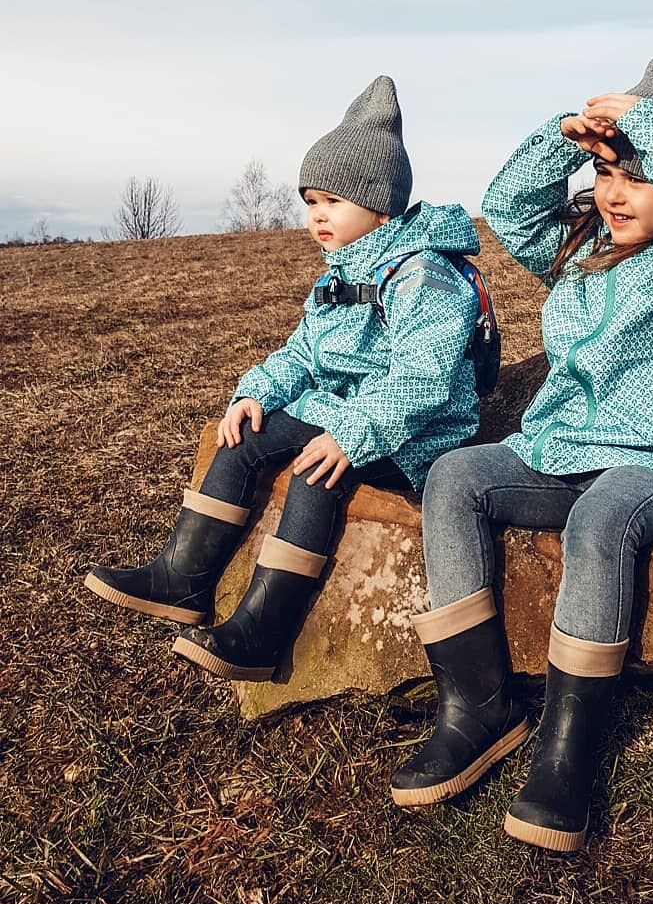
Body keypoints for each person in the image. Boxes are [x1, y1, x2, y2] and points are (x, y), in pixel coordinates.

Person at [390, 39, 653, 852]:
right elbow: (509, 205)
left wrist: (650, 125)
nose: (615, 194)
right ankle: (479, 708)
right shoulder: (581, 253)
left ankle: (566, 757)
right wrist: (565, 133)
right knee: (457, 475)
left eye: (639, 176)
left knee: (602, 520)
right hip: (563, 445)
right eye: (606, 173)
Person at [86, 76, 483, 682]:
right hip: (344, 408)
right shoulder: (341, 270)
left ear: (380, 204)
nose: (318, 215)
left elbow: (422, 379)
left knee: (313, 477)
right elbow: (303, 351)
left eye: (333, 201)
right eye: (310, 202)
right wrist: (258, 392)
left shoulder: (425, 273)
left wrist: (351, 436)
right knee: (245, 440)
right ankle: (181, 579)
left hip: (415, 430)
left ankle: (261, 634)